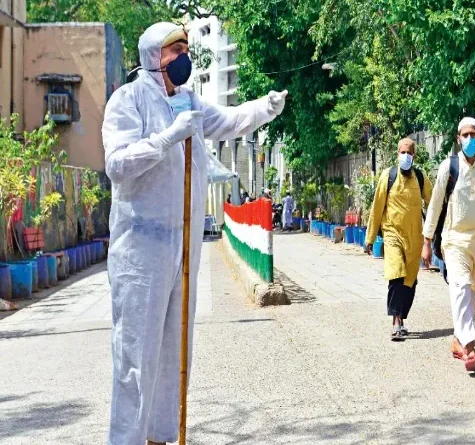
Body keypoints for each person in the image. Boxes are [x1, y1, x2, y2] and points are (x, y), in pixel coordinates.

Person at [102, 22, 287, 445]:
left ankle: (159, 436)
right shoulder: (126, 100)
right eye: (174, 49)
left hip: (182, 250)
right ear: (153, 56)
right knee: (136, 354)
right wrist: (169, 137)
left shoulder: (190, 102)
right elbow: (118, 165)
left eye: (186, 47)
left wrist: (267, 107)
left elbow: (233, 120)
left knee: (174, 350)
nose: (183, 55)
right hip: (140, 251)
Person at [422, 118, 475, 371]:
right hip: (453, 240)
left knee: (473, 294)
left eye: (473, 135)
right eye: (465, 135)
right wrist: (427, 240)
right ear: (458, 139)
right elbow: (434, 204)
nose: (469, 139)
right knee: (461, 288)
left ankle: (457, 340)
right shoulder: (448, 166)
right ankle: (470, 346)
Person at [366, 138, 433, 340]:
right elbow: (377, 208)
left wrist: (435, 235)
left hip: (414, 238)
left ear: (414, 156)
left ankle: (401, 318)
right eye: (402, 152)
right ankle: (395, 322)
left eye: (409, 153)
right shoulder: (388, 176)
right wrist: (370, 238)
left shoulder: (420, 178)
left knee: (409, 281)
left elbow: (433, 203)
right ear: (397, 154)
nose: (405, 156)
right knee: (396, 274)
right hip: (392, 234)